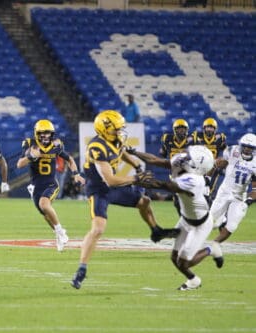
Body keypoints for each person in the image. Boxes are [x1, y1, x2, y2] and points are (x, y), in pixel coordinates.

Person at [71, 110, 180, 289]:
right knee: (98, 229)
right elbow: (110, 180)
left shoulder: (116, 139)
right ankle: (81, 269)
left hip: (113, 188)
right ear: (105, 129)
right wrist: (136, 178)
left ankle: (156, 230)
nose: (120, 132)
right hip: (99, 190)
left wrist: (136, 165)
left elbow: (120, 152)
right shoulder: (96, 147)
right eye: (116, 129)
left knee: (144, 201)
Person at [131, 145, 217, 290]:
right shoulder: (184, 163)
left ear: (196, 166)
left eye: (189, 157)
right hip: (185, 219)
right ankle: (194, 280)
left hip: (200, 224)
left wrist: (139, 180)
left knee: (184, 263)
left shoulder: (196, 181)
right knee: (174, 258)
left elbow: (168, 186)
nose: (184, 157)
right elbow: (155, 160)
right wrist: (133, 152)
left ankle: (211, 249)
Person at [17, 119, 85, 252]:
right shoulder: (30, 144)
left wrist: (76, 173)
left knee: (44, 204)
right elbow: (19, 164)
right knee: (45, 214)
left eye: (48, 133)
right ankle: (58, 234)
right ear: (37, 134)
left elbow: (69, 159)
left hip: (51, 183)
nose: (46, 136)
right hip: (36, 186)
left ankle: (60, 231)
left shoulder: (56, 145)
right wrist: (31, 156)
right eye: (42, 133)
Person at [209, 133, 256, 268]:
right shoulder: (232, 150)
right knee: (210, 220)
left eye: (250, 147)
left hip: (239, 196)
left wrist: (248, 201)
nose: (247, 149)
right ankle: (193, 238)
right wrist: (216, 166)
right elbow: (220, 165)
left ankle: (215, 244)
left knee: (232, 226)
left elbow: (255, 189)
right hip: (224, 192)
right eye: (245, 146)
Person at [192, 117, 227, 196]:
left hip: (213, 167)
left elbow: (226, 152)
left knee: (210, 189)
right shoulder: (196, 136)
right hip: (199, 167)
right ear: (204, 128)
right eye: (208, 127)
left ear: (215, 129)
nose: (209, 129)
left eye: (211, 127)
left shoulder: (220, 138)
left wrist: (220, 160)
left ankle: (209, 202)